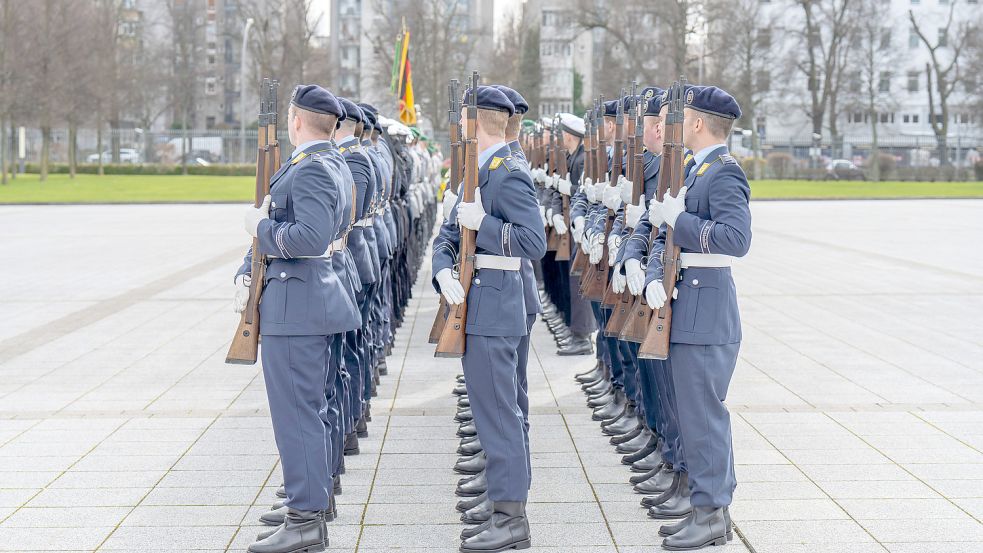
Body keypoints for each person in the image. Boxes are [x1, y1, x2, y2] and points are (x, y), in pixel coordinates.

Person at [233, 84, 360, 553]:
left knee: (298, 416)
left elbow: (308, 238)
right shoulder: (328, 163)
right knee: (312, 411)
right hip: (306, 302)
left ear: (296, 120)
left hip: (298, 307)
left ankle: (305, 520)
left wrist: (260, 229)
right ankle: (310, 509)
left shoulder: (313, 169)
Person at [432, 85, 546, 553]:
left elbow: (533, 242)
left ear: (475, 121)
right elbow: (448, 233)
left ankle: (511, 517)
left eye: (462, 117)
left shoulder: (508, 172)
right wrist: (442, 268)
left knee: (500, 413)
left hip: (497, 307)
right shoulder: (477, 170)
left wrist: (486, 226)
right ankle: (502, 499)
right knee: (495, 410)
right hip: (479, 301)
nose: (457, 124)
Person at [643, 85, 751, 550]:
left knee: (704, 416)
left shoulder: (722, 173)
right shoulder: (697, 170)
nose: (678, 123)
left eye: (684, 116)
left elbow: (736, 239)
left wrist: (679, 221)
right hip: (690, 304)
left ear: (700, 123)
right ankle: (710, 511)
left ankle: (710, 512)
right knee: (694, 413)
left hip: (706, 311)